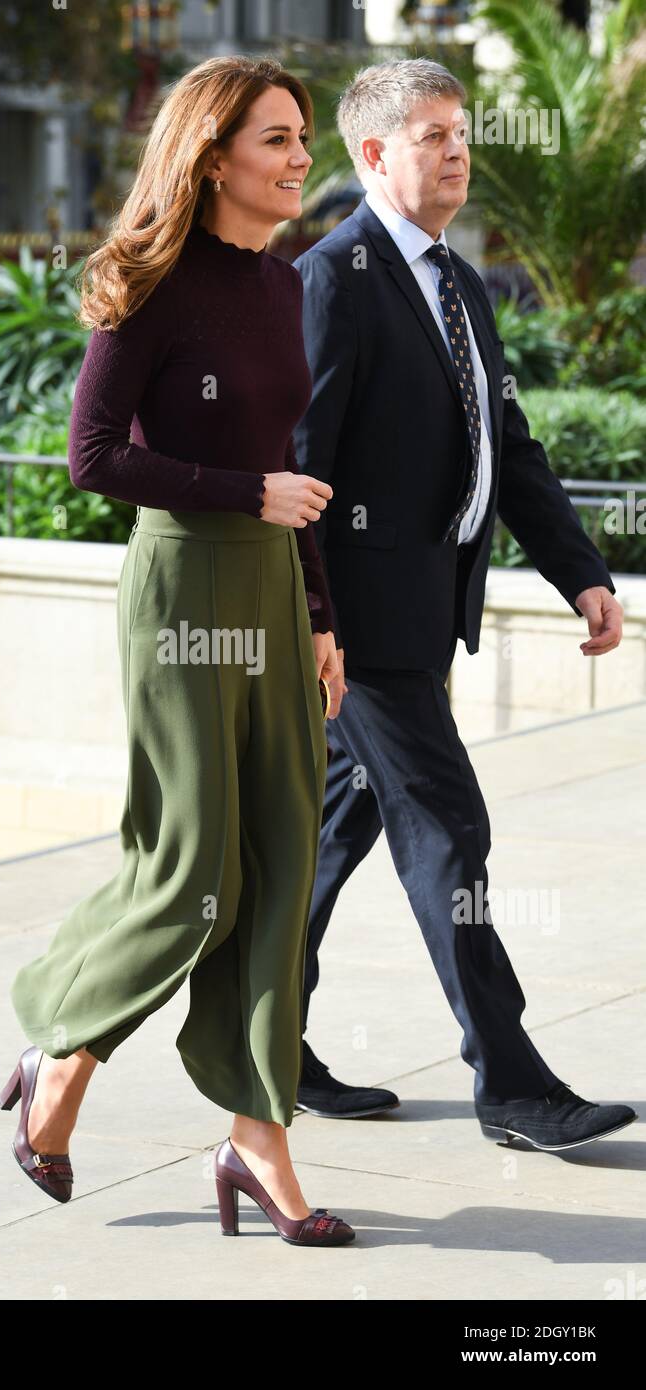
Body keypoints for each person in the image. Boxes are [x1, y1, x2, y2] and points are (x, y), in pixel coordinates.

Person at [0, 55, 356, 1246]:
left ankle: (260, 1139)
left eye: (303, 137)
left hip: (267, 583)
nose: (301, 157)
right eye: (276, 139)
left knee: (282, 858)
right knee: (196, 860)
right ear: (211, 157)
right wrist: (245, 493)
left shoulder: (276, 286)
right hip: (185, 585)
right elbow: (92, 457)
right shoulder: (153, 283)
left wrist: (317, 617)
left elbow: (286, 459)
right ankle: (66, 1043)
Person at [291, 57, 636, 1153]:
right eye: (431, 134)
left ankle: (258, 1045)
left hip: (419, 618)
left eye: (460, 131)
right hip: (359, 632)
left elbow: (510, 448)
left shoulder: (458, 280)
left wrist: (578, 568)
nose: (456, 150)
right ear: (373, 154)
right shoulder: (333, 278)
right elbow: (298, 465)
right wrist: (316, 623)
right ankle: (513, 1084)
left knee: (326, 839)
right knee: (451, 832)